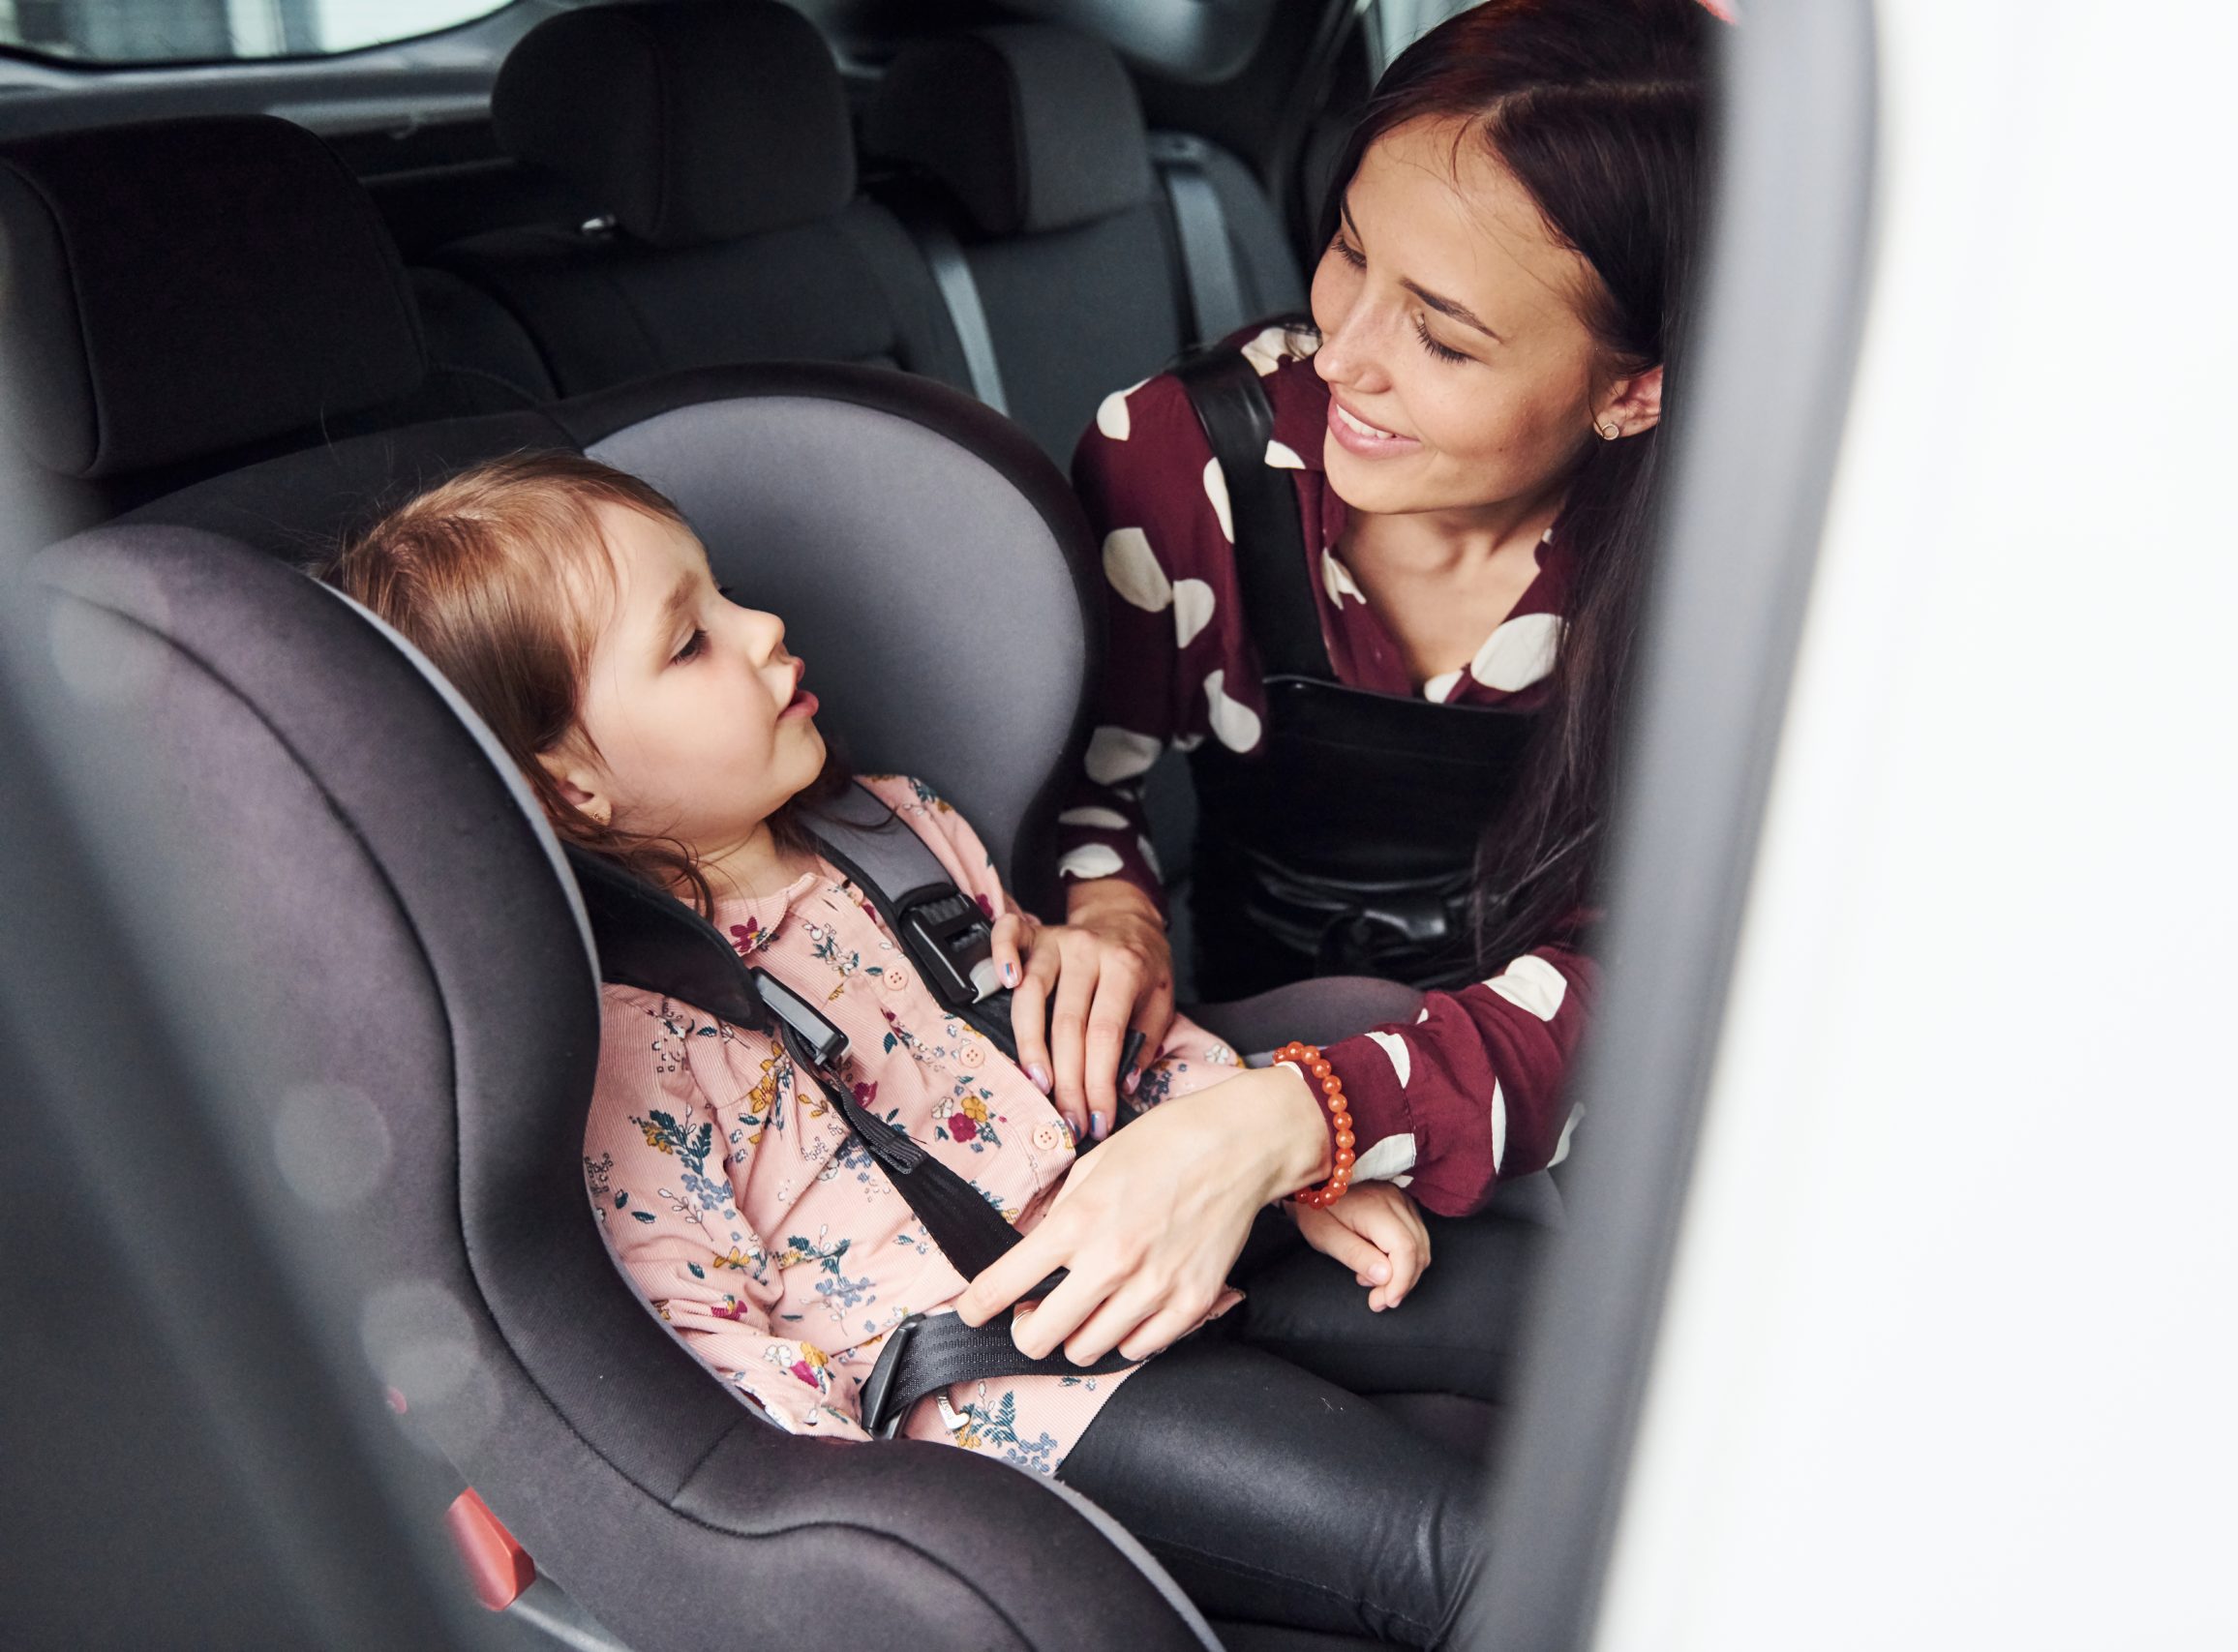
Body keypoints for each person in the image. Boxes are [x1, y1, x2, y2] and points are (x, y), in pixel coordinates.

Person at [328, 451, 1485, 1646]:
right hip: (1030, 1398)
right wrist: (903, 1569)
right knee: (1460, 1554)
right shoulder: (634, 1045)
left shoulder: (896, 831)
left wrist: (1282, 1158)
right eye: (690, 643)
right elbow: (733, 1383)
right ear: (568, 785)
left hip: (1162, 1236)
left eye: (724, 594)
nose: (765, 625)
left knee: (1570, 1324)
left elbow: (1091, 1055)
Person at [1024, 0, 1717, 1219]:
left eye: (1442, 340)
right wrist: (1115, 912)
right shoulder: (1180, 456)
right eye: (1348, 252)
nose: (1339, 355)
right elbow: (1083, 779)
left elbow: (1654, 963)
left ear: (1635, 391)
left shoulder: (1718, 558)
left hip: (1567, 1108)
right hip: (1246, 1036)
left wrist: (1313, 1117)